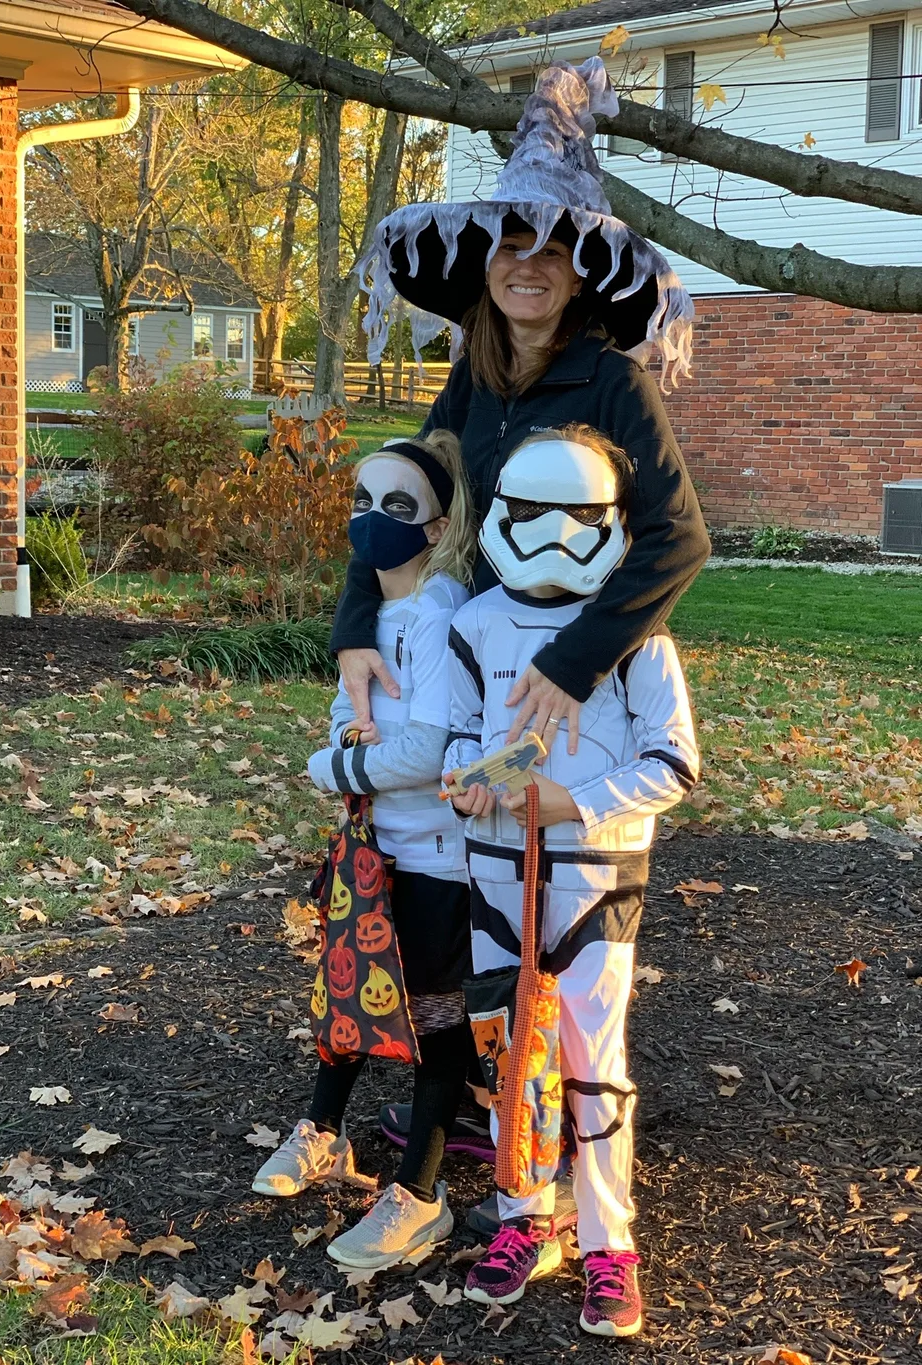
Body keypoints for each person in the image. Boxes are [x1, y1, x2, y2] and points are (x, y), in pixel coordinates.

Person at [341, 57, 710, 1212]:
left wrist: (570, 663)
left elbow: (677, 541)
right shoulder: (475, 380)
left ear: (579, 267)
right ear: (484, 266)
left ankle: (557, 1136)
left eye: (550, 250)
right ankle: (474, 1098)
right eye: (509, 249)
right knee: (457, 865)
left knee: (554, 900)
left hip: (578, 679)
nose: (527, 268)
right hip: (475, 653)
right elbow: (410, 493)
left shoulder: (609, 382)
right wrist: (359, 618)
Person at [445, 424, 700, 1338]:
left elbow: (674, 763)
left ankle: (608, 1242)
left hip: (596, 875)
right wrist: (473, 780)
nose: (553, 532)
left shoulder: (637, 632)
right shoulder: (474, 623)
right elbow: (466, 732)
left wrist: (575, 801)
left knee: (594, 1063)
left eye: (576, 513)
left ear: (610, 521)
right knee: (510, 1052)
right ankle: (526, 1216)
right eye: (532, 511)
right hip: (497, 872)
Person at [252, 430, 477, 1272]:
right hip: (371, 849)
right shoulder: (372, 618)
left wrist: (336, 765)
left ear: (437, 523)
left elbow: (425, 752)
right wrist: (348, 755)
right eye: (361, 501)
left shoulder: (444, 612)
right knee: (348, 990)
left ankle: (421, 1192)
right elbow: (348, 720)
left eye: (396, 506)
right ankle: (323, 1132)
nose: (371, 520)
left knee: (433, 1015)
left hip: (439, 858)